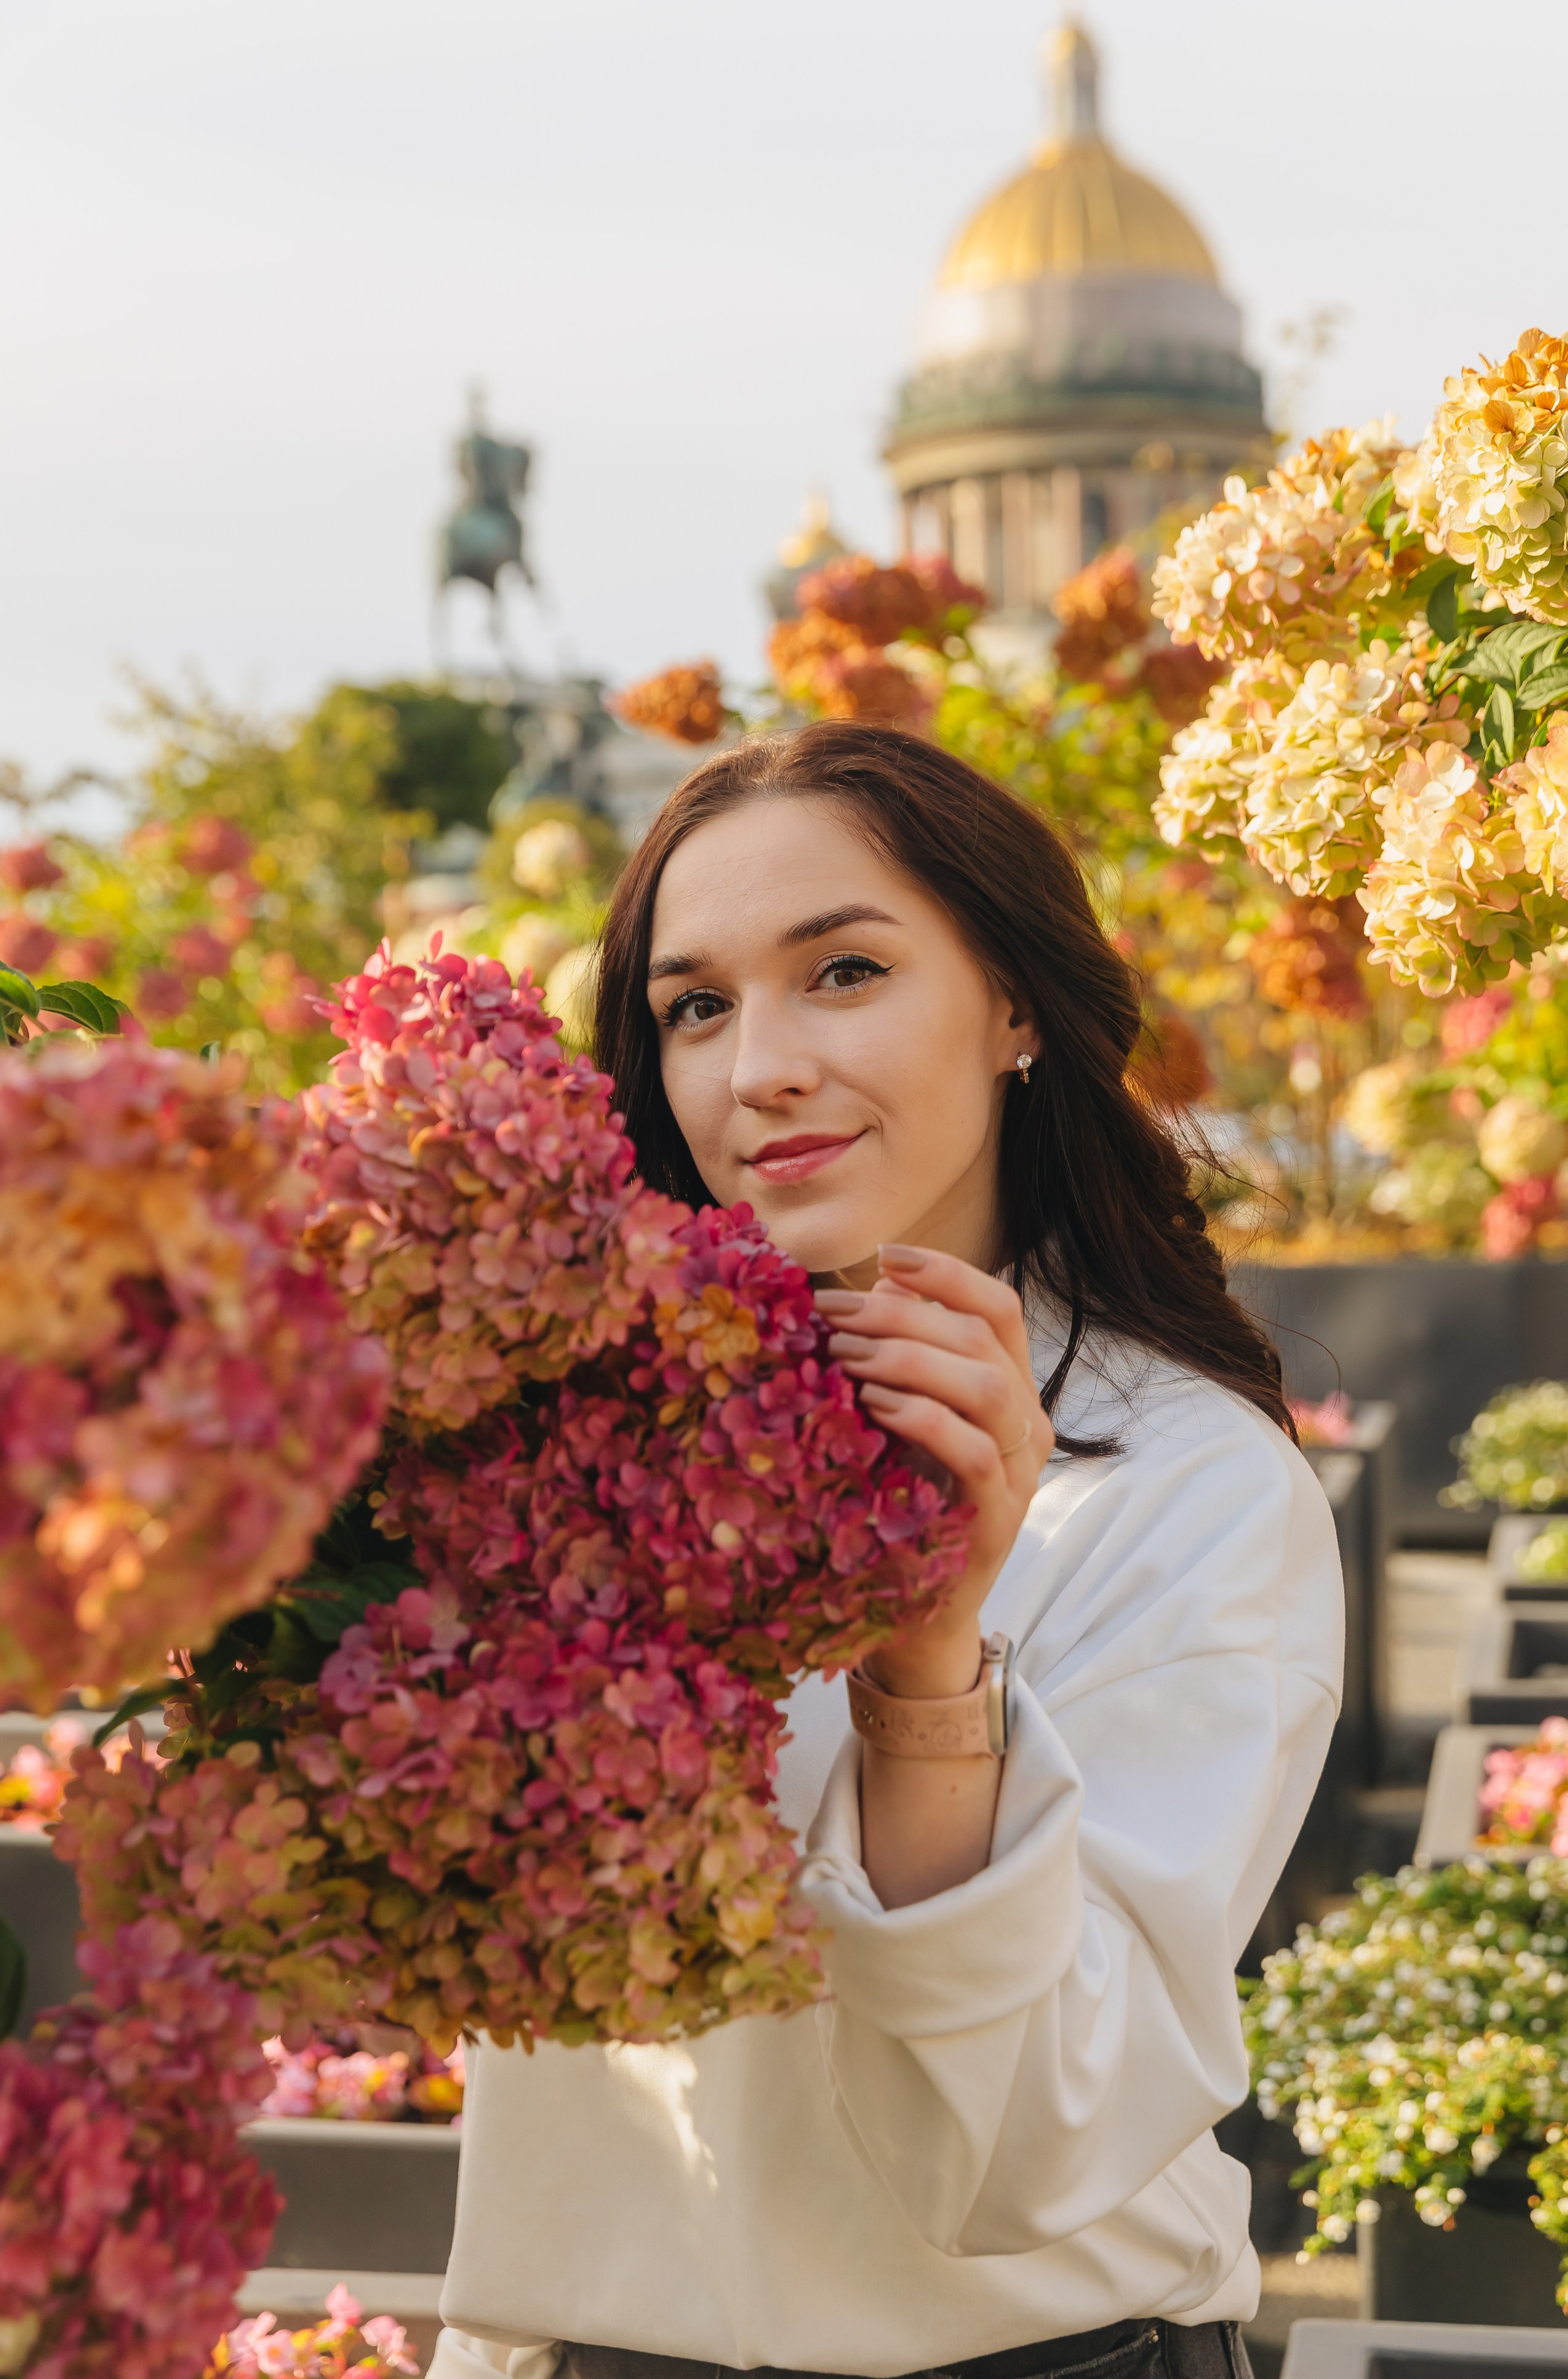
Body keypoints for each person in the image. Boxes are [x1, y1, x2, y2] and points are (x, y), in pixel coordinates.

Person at [431, 723, 1340, 2379]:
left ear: (1012, 1009)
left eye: (840, 971)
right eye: (694, 1006)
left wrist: (930, 1672)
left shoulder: (1188, 1486)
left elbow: (1016, 2155)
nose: (755, 1066)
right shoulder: (551, 1439)